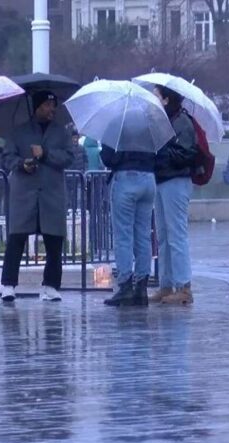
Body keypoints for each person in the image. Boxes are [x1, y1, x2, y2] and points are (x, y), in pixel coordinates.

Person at [0, 91, 74, 302]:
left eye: (53, 105)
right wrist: (22, 164)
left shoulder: (61, 133)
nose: (51, 109)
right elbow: (7, 157)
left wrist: (46, 154)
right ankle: (8, 285)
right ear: (37, 107)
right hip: (24, 193)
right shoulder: (18, 132)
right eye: (47, 105)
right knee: (16, 239)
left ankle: (51, 285)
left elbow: (69, 157)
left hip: (52, 193)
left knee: (54, 241)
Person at [100, 112, 157, 307]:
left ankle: (125, 285)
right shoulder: (150, 124)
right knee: (143, 234)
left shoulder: (117, 122)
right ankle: (141, 287)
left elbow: (107, 157)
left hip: (126, 178)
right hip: (149, 179)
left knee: (123, 234)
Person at [150, 85, 198, 305]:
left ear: (167, 99)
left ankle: (184, 286)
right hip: (162, 180)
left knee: (176, 234)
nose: (153, 98)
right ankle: (166, 284)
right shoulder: (165, 122)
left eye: (157, 95)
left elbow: (186, 153)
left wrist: (163, 146)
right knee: (163, 236)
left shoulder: (182, 122)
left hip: (176, 181)